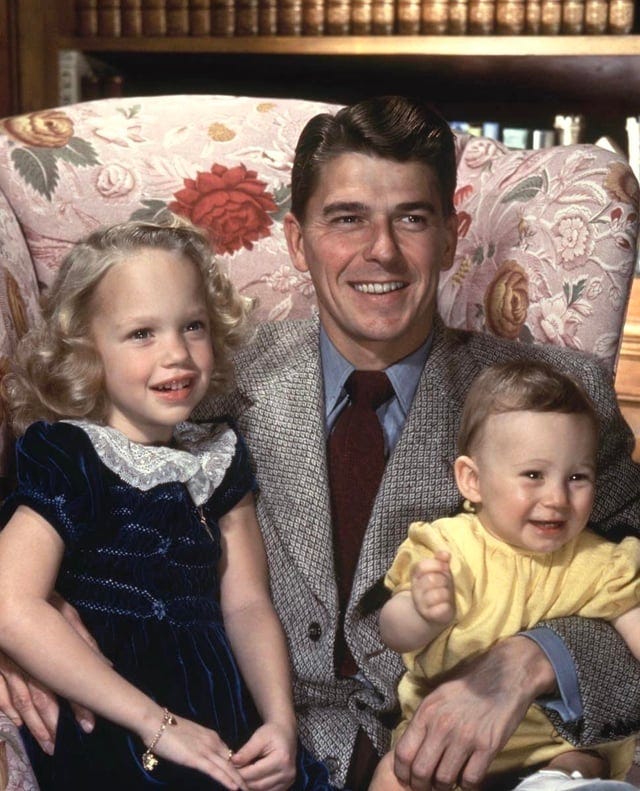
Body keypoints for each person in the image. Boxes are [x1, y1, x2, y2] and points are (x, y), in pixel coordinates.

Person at [1, 96, 640, 791]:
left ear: (452, 238)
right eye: (347, 219)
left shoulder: (554, 398)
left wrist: (528, 660)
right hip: (248, 754)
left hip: (467, 765)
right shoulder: (203, 375)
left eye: (413, 219)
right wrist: (36, 623)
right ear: (297, 241)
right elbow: (73, 488)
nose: (382, 251)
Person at [0, 218, 334, 790]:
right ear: (86, 348)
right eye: (141, 334)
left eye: (193, 326)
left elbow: (249, 606)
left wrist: (281, 723)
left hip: (225, 717)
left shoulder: (220, 456)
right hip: (123, 720)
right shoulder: (70, 454)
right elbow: (9, 601)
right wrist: (157, 724)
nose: (177, 353)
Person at [371, 359, 640, 791]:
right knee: (393, 775)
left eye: (577, 477)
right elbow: (393, 631)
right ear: (472, 481)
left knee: (580, 768)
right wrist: (422, 612)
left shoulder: (600, 563)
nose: (556, 498)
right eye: (533, 475)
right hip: (441, 751)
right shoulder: (450, 547)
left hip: (555, 751)